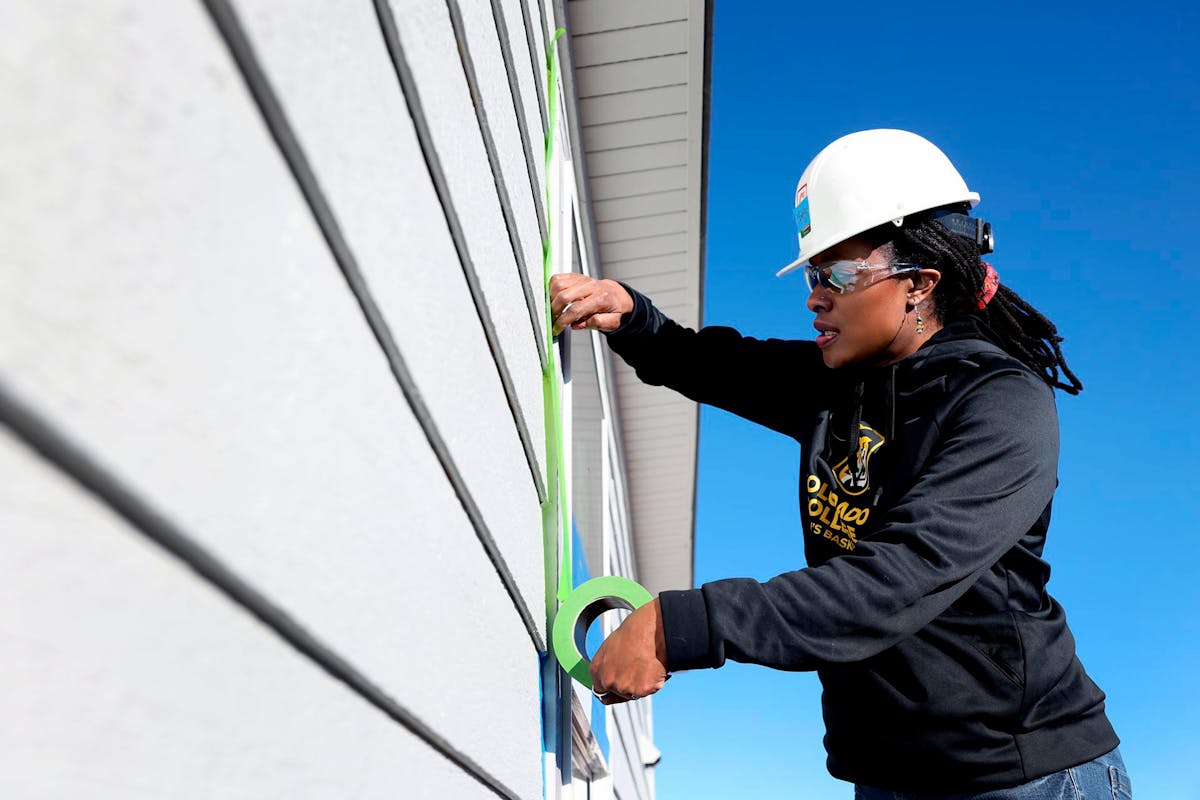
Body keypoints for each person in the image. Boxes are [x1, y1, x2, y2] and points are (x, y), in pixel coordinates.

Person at [548, 130, 1132, 798]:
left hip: (1026, 776)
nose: (814, 296)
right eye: (811, 274)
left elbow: (899, 577)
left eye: (838, 274)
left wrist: (682, 625)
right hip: (886, 775)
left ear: (919, 284)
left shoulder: (1001, 404)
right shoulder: (835, 382)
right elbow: (713, 363)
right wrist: (631, 317)